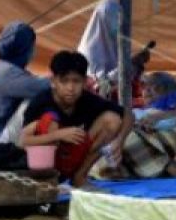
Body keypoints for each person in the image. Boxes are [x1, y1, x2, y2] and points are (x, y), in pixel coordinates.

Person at [21, 50, 132, 186]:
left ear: (85, 82)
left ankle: (80, 177)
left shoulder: (86, 99)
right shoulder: (40, 103)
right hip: (38, 164)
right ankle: (48, 181)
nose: (70, 88)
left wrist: (119, 142)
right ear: (53, 81)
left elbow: (128, 115)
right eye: (64, 81)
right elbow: (23, 142)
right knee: (50, 122)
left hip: (73, 156)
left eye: (76, 81)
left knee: (112, 120)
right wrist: (58, 135)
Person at [94, 72, 176, 180]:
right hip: (156, 143)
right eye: (144, 87)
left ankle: (168, 167)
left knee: (130, 140)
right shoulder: (142, 108)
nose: (147, 91)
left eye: (154, 87)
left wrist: (159, 117)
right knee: (117, 149)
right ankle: (168, 165)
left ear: (167, 89)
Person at [0, 21, 49, 142]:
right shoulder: (8, 73)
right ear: (25, 49)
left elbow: (35, 82)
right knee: (39, 99)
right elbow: (44, 87)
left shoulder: (5, 68)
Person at [77, 0, 151, 102]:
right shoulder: (90, 50)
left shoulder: (115, 42)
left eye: (119, 18)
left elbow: (125, 76)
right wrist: (130, 63)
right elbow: (101, 88)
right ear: (103, 18)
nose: (118, 22)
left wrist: (137, 64)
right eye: (114, 18)